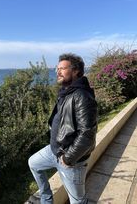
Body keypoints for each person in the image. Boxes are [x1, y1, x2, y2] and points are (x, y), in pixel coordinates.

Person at [28, 53, 97, 204]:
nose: (57, 72)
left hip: (71, 159)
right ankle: (46, 198)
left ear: (76, 71)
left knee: (77, 200)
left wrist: (68, 158)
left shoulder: (82, 96)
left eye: (62, 69)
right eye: (57, 69)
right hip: (55, 150)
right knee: (33, 163)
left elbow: (87, 134)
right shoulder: (67, 92)